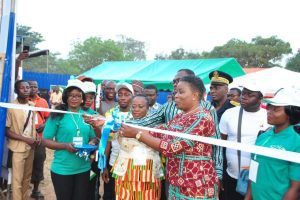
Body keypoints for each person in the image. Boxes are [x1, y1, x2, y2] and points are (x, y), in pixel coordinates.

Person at [127, 69, 223, 199]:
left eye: (181, 92)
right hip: (175, 183)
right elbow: (157, 131)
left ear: (195, 95)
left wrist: (137, 134)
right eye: (176, 91)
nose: (176, 95)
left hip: (196, 186)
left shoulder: (202, 118)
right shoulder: (181, 116)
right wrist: (125, 127)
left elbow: (171, 147)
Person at [42, 79, 97, 200]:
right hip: (62, 169)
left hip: (84, 168)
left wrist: (92, 143)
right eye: (71, 95)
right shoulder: (58, 114)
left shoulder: (87, 116)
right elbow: (45, 140)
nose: (75, 98)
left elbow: (93, 137)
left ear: (82, 98)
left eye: (78, 96)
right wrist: (65, 146)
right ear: (66, 96)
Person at [245, 88, 300, 200]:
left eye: (276, 109)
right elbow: (254, 172)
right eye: (269, 108)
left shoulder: (296, 141)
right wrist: (248, 197)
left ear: (290, 113)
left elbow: (295, 188)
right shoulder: (263, 136)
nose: (269, 112)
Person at [220, 84, 270, 200]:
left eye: (250, 95)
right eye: (243, 93)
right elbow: (221, 142)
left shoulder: (268, 116)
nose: (244, 97)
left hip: (257, 178)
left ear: (260, 98)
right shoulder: (229, 114)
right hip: (231, 175)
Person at [113, 94, 163, 199]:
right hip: (125, 169)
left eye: (141, 107)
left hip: (149, 170)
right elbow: (107, 138)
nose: (136, 109)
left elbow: (161, 146)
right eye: (133, 106)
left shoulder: (157, 126)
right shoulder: (123, 124)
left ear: (148, 108)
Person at [5, 80, 37, 200]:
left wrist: (35, 138)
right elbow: (6, 131)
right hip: (18, 148)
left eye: (27, 87)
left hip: (31, 147)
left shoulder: (32, 106)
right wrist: (25, 139)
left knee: (27, 178)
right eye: (22, 88)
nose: (26, 89)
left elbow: (32, 125)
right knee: (17, 179)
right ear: (16, 91)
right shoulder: (11, 107)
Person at [102, 82, 134, 200]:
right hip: (113, 162)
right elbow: (107, 141)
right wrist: (104, 166)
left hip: (132, 164)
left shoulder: (137, 114)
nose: (123, 97)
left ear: (132, 96)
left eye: (126, 94)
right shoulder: (110, 114)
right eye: (120, 94)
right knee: (111, 195)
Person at [28, 80, 50, 200]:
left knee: (38, 163)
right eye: (30, 86)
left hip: (39, 139)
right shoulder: (22, 101)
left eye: (35, 87)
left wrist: (45, 125)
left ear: (38, 88)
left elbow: (48, 118)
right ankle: (24, 187)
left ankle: (35, 190)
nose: (32, 88)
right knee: (25, 163)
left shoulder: (43, 102)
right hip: (25, 138)